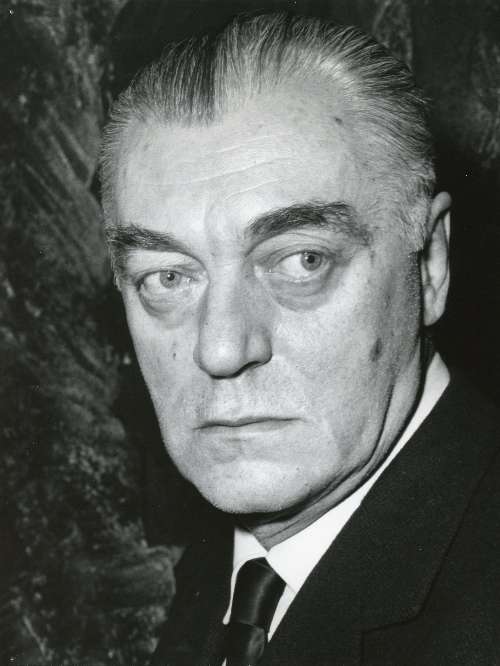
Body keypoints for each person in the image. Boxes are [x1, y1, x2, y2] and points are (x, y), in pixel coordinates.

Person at [100, 12, 500, 665]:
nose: (222, 350)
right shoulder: (237, 567)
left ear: (429, 265)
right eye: (168, 277)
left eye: (302, 261)